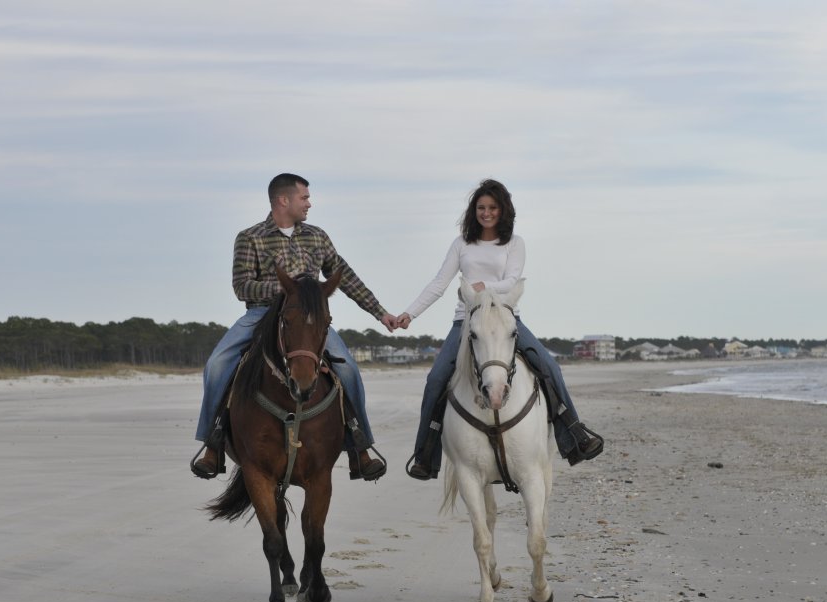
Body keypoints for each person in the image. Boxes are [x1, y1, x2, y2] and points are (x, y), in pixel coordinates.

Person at [191, 173, 395, 482]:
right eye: (305, 198)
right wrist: (289, 290)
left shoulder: (317, 236)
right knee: (217, 365)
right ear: (283, 200)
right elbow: (242, 286)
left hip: (310, 320)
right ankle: (213, 442)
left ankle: (360, 447)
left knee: (350, 370)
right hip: (261, 314)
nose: (309, 203)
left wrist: (381, 313)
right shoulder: (250, 237)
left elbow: (346, 276)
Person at [396, 179, 603, 480]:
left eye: (492, 207)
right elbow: (440, 283)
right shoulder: (461, 244)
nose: (486, 213)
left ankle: (574, 434)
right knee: (436, 377)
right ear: (473, 211)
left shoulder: (515, 243)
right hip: (467, 321)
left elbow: (512, 281)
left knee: (550, 366)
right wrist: (409, 313)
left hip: (507, 318)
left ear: (503, 210)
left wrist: (482, 286)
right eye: (481, 207)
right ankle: (425, 454)